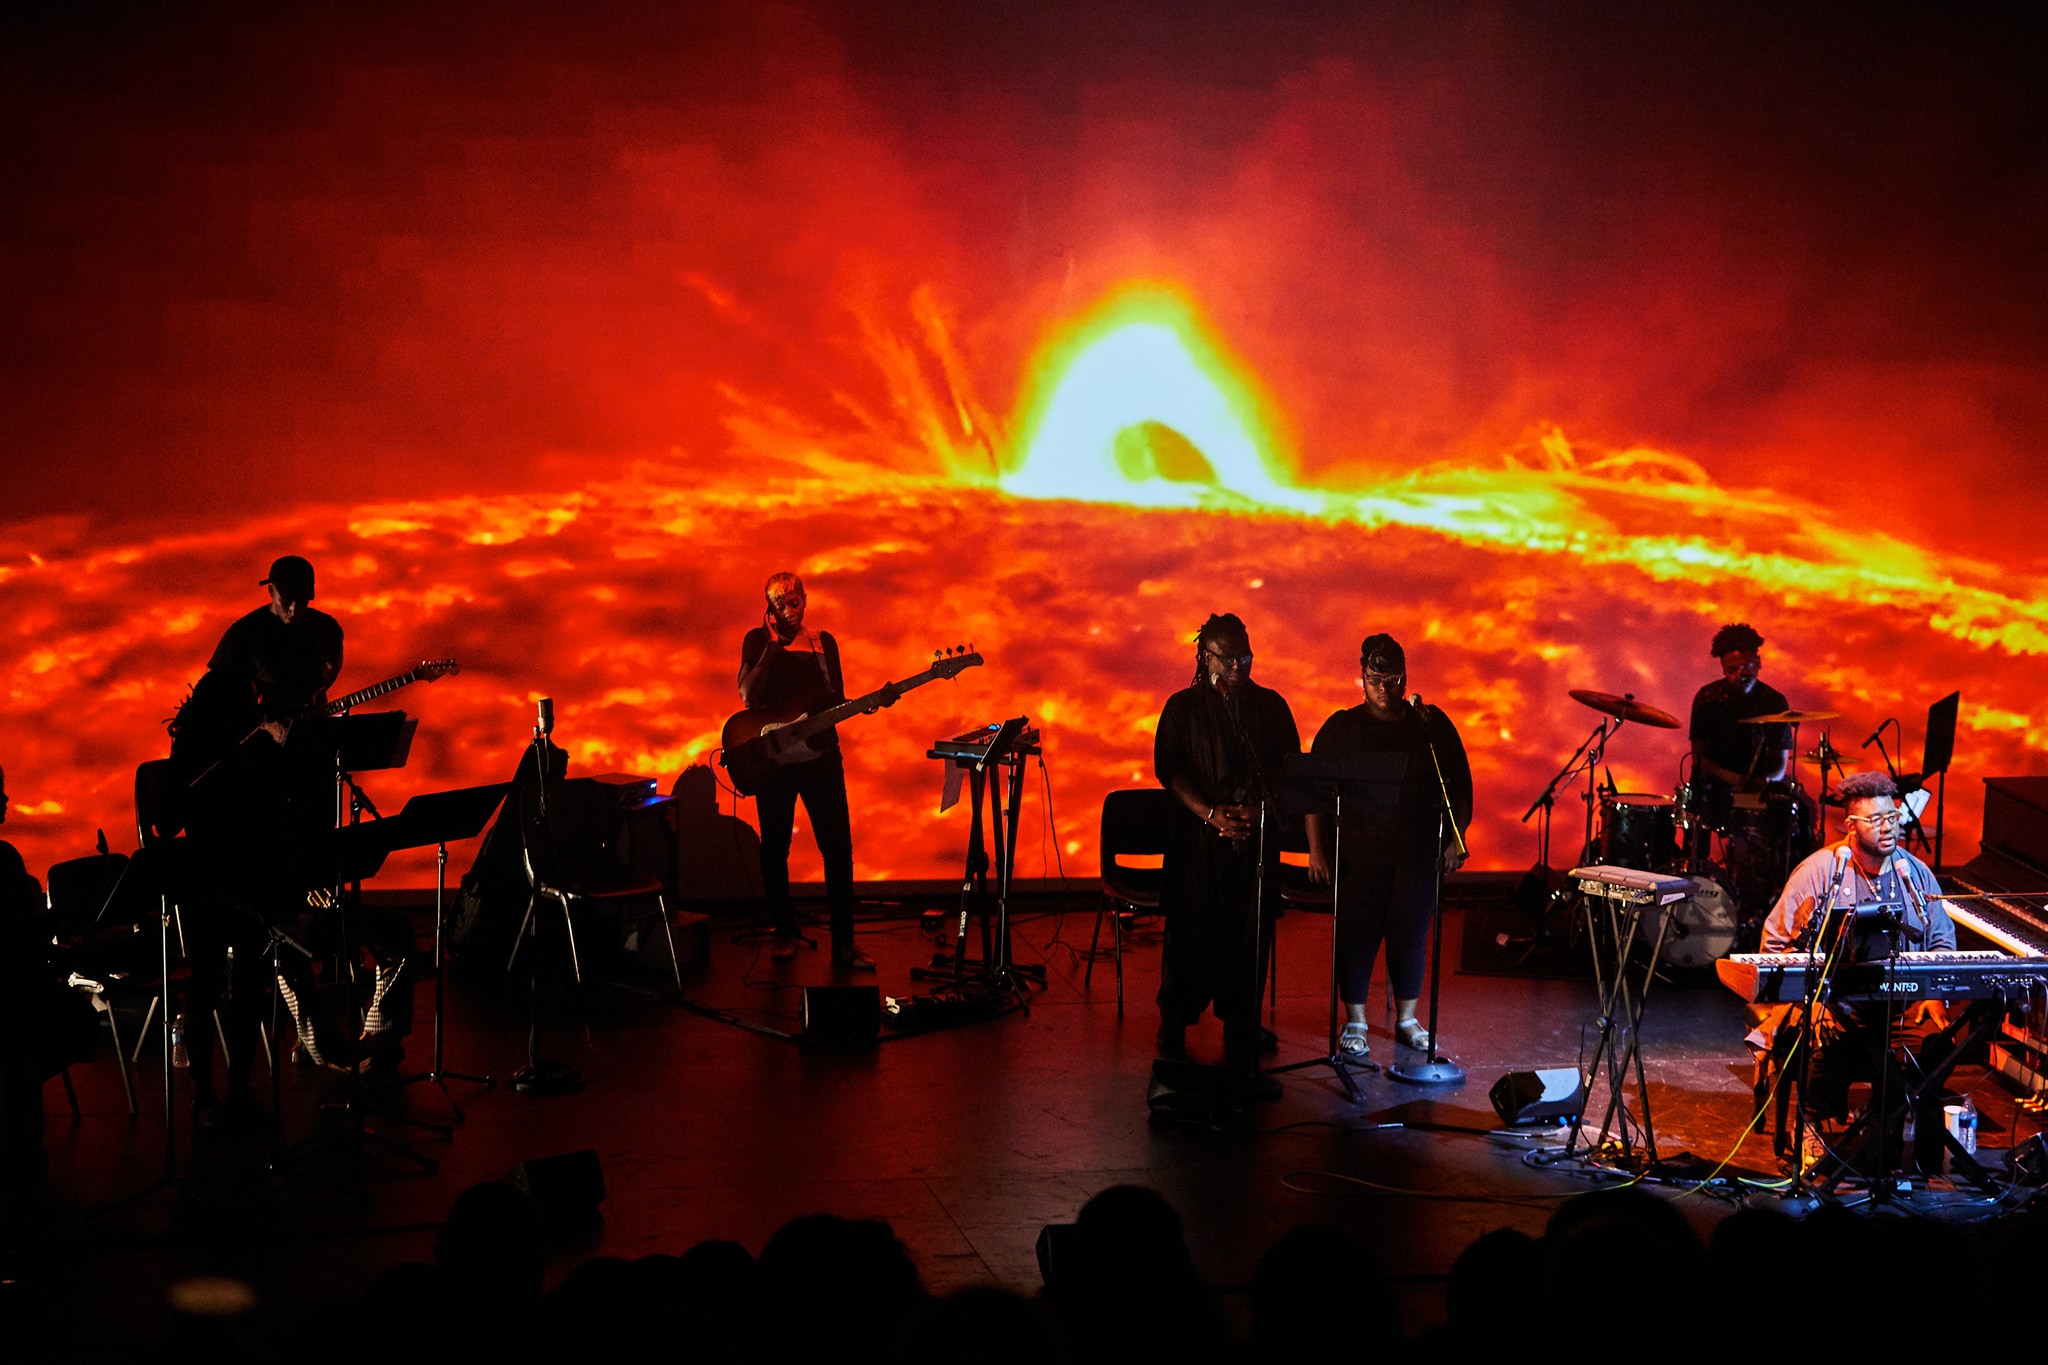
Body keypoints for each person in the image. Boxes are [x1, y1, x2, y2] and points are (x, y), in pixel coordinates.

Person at [1749, 770, 1955, 1170]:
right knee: (1820, 1039)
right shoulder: (1820, 871)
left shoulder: (1914, 873)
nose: (1887, 829)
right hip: (1838, 1006)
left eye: (1892, 819)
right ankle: (1811, 1125)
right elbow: (1775, 943)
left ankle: (1884, 1133)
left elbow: (1941, 939)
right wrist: (1807, 997)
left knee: (1935, 1046)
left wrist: (1933, 993)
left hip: (1900, 1007)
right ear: (1851, 825)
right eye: (1875, 821)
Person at [1153, 613, 1299, 1100]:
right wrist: (1211, 813)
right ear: (1205, 658)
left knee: (1249, 936)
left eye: (1246, 656)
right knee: (1193, 933)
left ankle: (1242, 1023)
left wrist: (1260, 809)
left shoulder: (1271, 707)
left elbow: (1289, 768)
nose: (1239, 666)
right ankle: (1175, 1022)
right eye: (1228, 657)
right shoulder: (1181, 708)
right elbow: (1168, 769)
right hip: (1198, 843)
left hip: (1254, 845)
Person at [1305, 633, 1471, 1060]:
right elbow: (1313, 792)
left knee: (1411, 935)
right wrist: (1318, 850)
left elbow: (1459, 786)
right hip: (1359, 852)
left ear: (1406, 678)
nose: (1384, 688)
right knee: (1358, 935)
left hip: (1416, 851)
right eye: (1375, 678)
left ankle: (1407, 1019)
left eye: (1393, 679)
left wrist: (1455, 837)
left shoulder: (1429, 726)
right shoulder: (1342, 728)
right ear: (1361, 677)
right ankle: (1356, 1019)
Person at [737, 573, 893, 969]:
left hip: (820, 757)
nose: (792, 612)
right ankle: (784, 931)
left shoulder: (823, 643)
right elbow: (748, 696)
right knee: (775, 849)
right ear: (770, 610)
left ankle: (844, 943)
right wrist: (772, 647)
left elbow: (835, 698)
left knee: (838, 849)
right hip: (775, 762)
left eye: (797, 602)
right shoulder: (757, 641)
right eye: (783, 606)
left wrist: (867, 703)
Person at [1688, 622, 1792, 791]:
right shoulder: (1707, 699)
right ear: (1722, 667)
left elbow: (1780, 761)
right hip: (1716, 790)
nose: (1741, 674)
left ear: (1758, 663)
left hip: (1760, 790)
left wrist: (1765, 781)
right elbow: (1699, 760)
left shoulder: (1774, 701)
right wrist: (1737, 780)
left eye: (1747, 667)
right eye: (1732, 669)